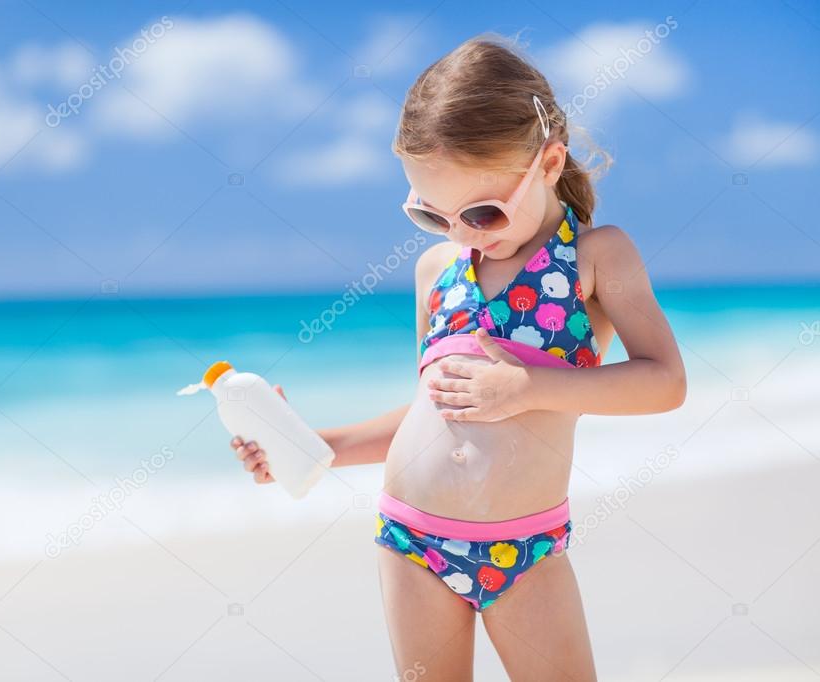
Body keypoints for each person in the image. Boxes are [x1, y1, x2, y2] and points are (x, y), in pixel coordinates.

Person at [232, 35, 686, 681]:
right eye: (429, 213)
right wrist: (310, 444)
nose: (459, 233)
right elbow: (433, 415)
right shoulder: (437, 270)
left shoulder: (596, 257)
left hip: (523, 548)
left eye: (481, 211)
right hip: (410, 540)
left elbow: (664, 382)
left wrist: (527, 388)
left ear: (549, 162)